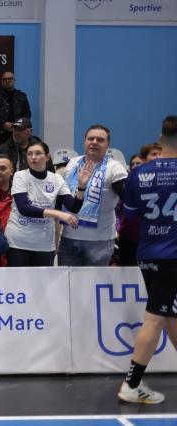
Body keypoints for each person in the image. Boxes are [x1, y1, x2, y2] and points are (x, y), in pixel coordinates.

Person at [117, 115, 177, 404]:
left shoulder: (139, 174)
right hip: (173, 256)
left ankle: (132, 384)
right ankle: (131, 384)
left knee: (169, 314)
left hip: (148, 252)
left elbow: (130, 216)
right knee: (155, 317)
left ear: (161, 138)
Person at [5, 140, 91, 267]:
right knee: (20, 284)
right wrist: (58, 214)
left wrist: (82, 187)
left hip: (44, 244)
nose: (33, 157)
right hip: (18, 242)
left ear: (47, 157)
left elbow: (73, 207)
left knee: (42, 285)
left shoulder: (56, 179)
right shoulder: (20, 176)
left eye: (38, 153)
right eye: (30, 154)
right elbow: (24, 208)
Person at [57, 125, 128, 266]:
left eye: (100, 140)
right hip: (68, 238)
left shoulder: (115, 167)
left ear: (108, 145)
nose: (94, 142)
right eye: (91, 138)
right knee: (68, 286)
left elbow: (127, 199)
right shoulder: (72, 163)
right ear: (84, 142)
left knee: (93, 285)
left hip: (99, 241)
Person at [0, 71, 32, 153]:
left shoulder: (22, 95)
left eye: (10, 79)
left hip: (19, 131)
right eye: (5, 79)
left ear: (14, 81)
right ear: (2, 81)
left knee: (20, 154)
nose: (7, 81)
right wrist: (3, 124)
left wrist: (18, 125)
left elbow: (27, 113)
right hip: (0, 132)